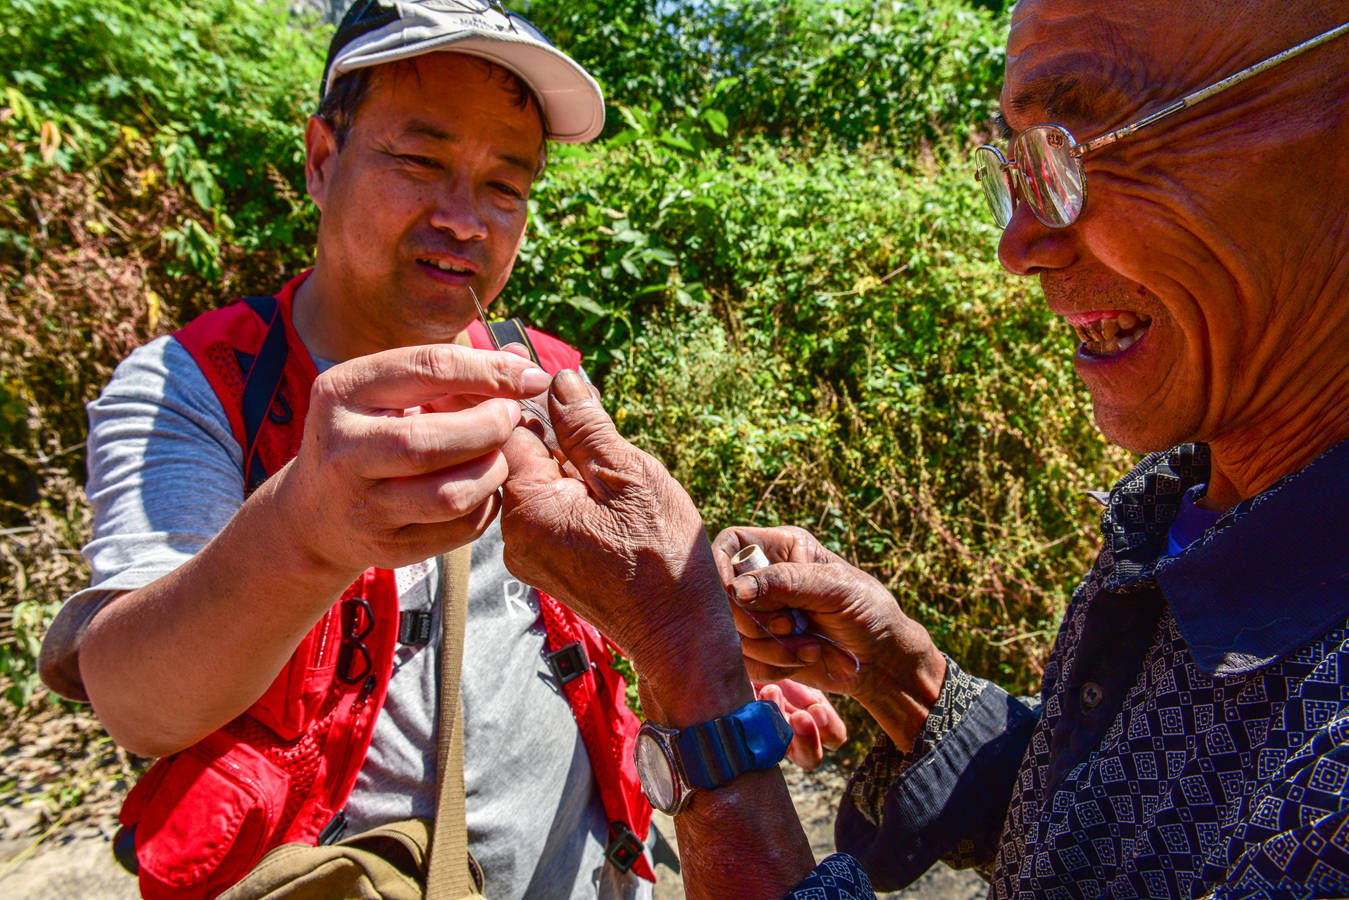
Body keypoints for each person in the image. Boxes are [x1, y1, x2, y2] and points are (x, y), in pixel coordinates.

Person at [494, 1, 1349, 898]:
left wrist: (687, 661)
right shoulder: (1186, 506)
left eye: (1083, 151)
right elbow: (1122, 842)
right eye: (1017, 167)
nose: (1018, 244)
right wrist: (910, 683)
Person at [36, 1, 840, 897]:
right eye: (420, 161)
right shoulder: (196, 386)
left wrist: (708, 649)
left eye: (507, 185)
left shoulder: (539, 370)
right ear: (320, 159)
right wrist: (301, 532)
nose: (466, 219)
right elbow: (136, 703)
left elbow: (589, 611)